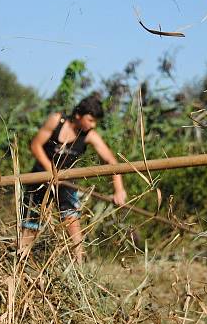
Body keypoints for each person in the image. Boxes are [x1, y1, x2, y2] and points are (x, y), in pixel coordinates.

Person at [19, 94, 127, 264]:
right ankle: (21, 259)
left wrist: (119, 190)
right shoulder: (56, 121)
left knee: (72, 220)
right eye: (90, 120)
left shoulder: (89, 135)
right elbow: (35, 145)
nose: (93, 125)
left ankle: (78, 264)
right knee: (31, 223)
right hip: (40, 178)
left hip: (67, 181)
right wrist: (51, 171)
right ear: (78, 115)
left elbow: (111, 161)